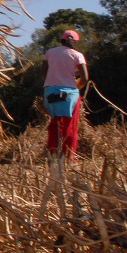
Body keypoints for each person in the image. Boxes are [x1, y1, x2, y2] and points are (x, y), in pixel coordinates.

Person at [41, 30, 89, 160]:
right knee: (70, 126)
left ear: (62, 40)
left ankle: (52, 155)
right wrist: (77, 85)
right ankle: (68, 157)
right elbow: (84, 78)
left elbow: (44, 74)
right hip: (70, 94)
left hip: (50, 92)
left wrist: (52, 83)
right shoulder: (77, 55)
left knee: (53, 125)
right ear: (74, 41)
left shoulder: (50, 53)